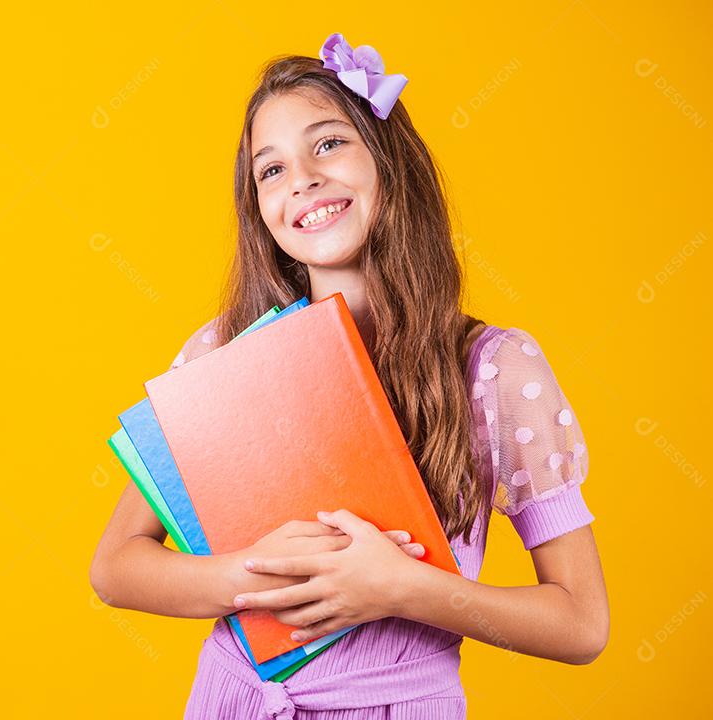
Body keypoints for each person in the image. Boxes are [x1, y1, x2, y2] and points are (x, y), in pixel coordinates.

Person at [90, 32, 609, 719]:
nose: (301, 177)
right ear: (259, 212)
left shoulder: (494, 370)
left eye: (328, 144)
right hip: (233, 701)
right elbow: (116, 567)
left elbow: (580, 624)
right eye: (270, 170)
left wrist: (399, 588)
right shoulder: (223, 352)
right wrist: (255, 575)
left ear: (388, 161)